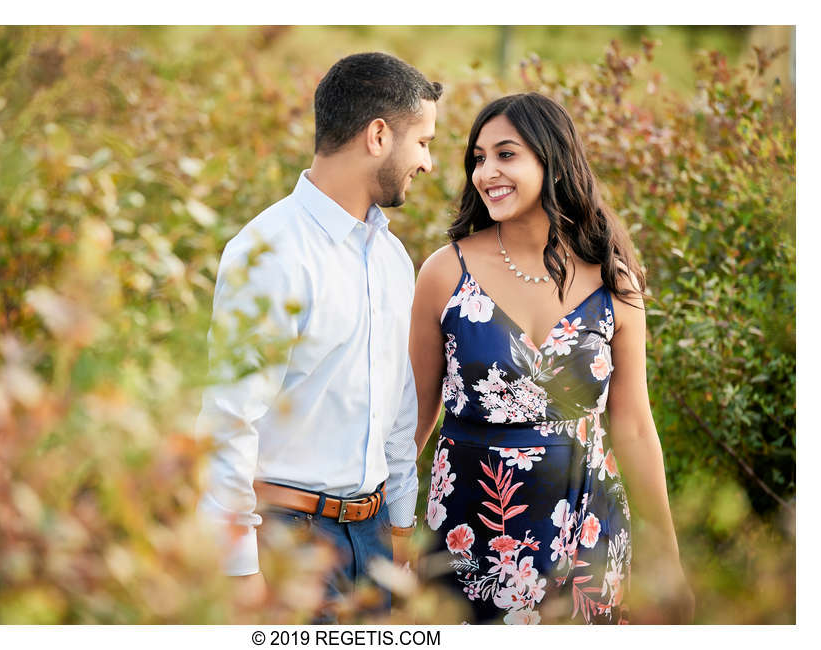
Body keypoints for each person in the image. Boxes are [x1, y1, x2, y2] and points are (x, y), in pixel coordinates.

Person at [409, 93, 693, 624]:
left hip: (587, 534)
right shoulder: (445, 274)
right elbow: (416, 419)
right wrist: (393, 526)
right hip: (468, 536)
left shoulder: (614, 283)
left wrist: (667, 557)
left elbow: (632, 425)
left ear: (552, 159)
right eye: (477, 158)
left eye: (506, 154)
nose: (485, 171)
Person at [196, 52, 441, 620]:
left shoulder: (393, 258)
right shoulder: (270, 252)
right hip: (290, 544)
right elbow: (229, 420)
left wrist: (400, 526)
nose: (427, 162)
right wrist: (240, 569)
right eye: (423, 141)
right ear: (378, 135)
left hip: (376, 538)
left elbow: (398, 412)